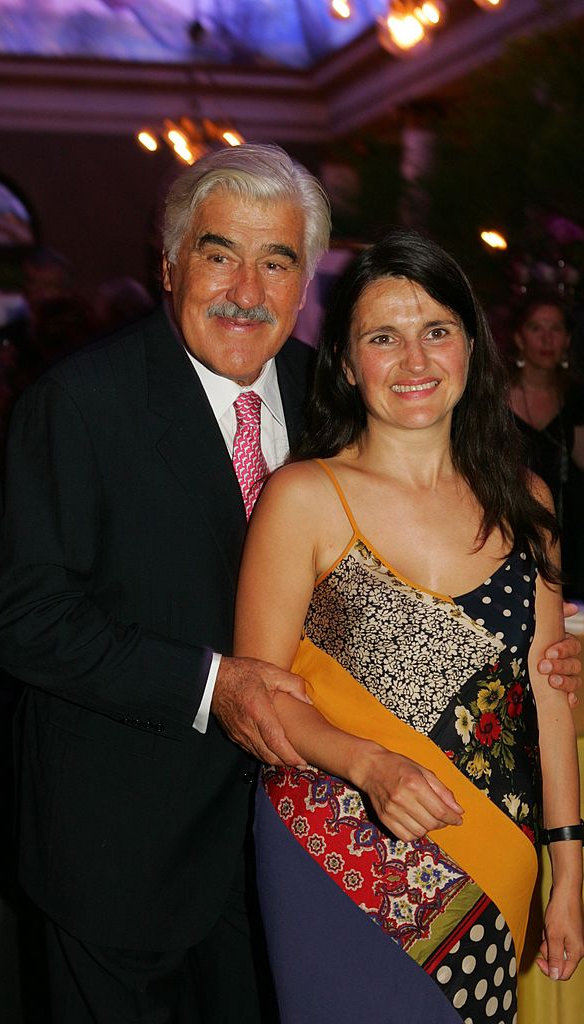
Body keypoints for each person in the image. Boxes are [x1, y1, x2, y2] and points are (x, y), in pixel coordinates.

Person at [0, 147, 580, 1024]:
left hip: (288, 847)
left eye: (278, 261)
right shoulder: (80, 403)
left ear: (306, 285)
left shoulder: (335, 390)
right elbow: (21, 614)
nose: (246, 289)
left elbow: (408, 573)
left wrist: (549, 662)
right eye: (220, 254)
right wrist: (212, 683)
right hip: (123, 841)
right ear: (171, 262)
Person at [235, 229, 584, 1023]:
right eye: (383, 338)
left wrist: (571, 873)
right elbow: (259, 695)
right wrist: (372, 766)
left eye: (436, 331)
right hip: (336, 843)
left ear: (471, 345)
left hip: (492, 846)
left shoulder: (526, 504)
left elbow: (550, 692)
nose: (415, 360)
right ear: (349, 364)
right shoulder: (304, 497)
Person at [508, 297, 584, 597]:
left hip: (567, 533)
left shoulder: (576, 397)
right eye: (536, 327)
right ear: (519, 337)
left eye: (556, 329)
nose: (547, 338)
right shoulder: (491, 395)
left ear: (567, 339)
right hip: (508, 533)